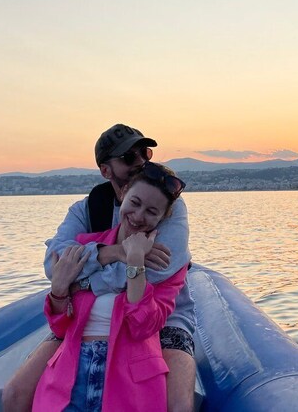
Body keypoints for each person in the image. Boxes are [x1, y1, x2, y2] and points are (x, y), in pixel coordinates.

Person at [2, 124, 196, 412]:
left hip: (162, 315)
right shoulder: (87, 209)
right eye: (128, 158)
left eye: (144, 152)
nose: (141, 161)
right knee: (15, 395)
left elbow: (156, 273)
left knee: (178, 404)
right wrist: (116, 252)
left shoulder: (167, 204)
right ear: (107, 171)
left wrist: (80, 281)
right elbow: (54, 265)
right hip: (89, 312)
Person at [33, 162, 188, 411]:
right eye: (135, 203)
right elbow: (60, 325)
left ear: (162, 218)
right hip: (70, 377)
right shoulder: (87, 246)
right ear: (123, 193)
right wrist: (59, 291)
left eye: (151, 211)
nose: (138, 217)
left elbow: (142, 326)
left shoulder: (167, 263)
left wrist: (136, 259)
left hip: (129, 382)